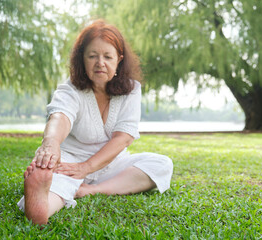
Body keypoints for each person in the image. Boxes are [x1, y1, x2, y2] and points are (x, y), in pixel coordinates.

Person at [17, 19, 173, 225]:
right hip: (70, 162)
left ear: (119, 59)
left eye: (108, 56)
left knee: (162, 164)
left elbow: (124, 138)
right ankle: (40, 206)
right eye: (92, 56)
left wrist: (88, 167)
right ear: (82, 59)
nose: (100, 63)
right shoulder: (70, 89)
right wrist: (51, 144)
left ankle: (91, 190)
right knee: (59, 183)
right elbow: (60, 116)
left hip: (112, 163)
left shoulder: (132, 89)